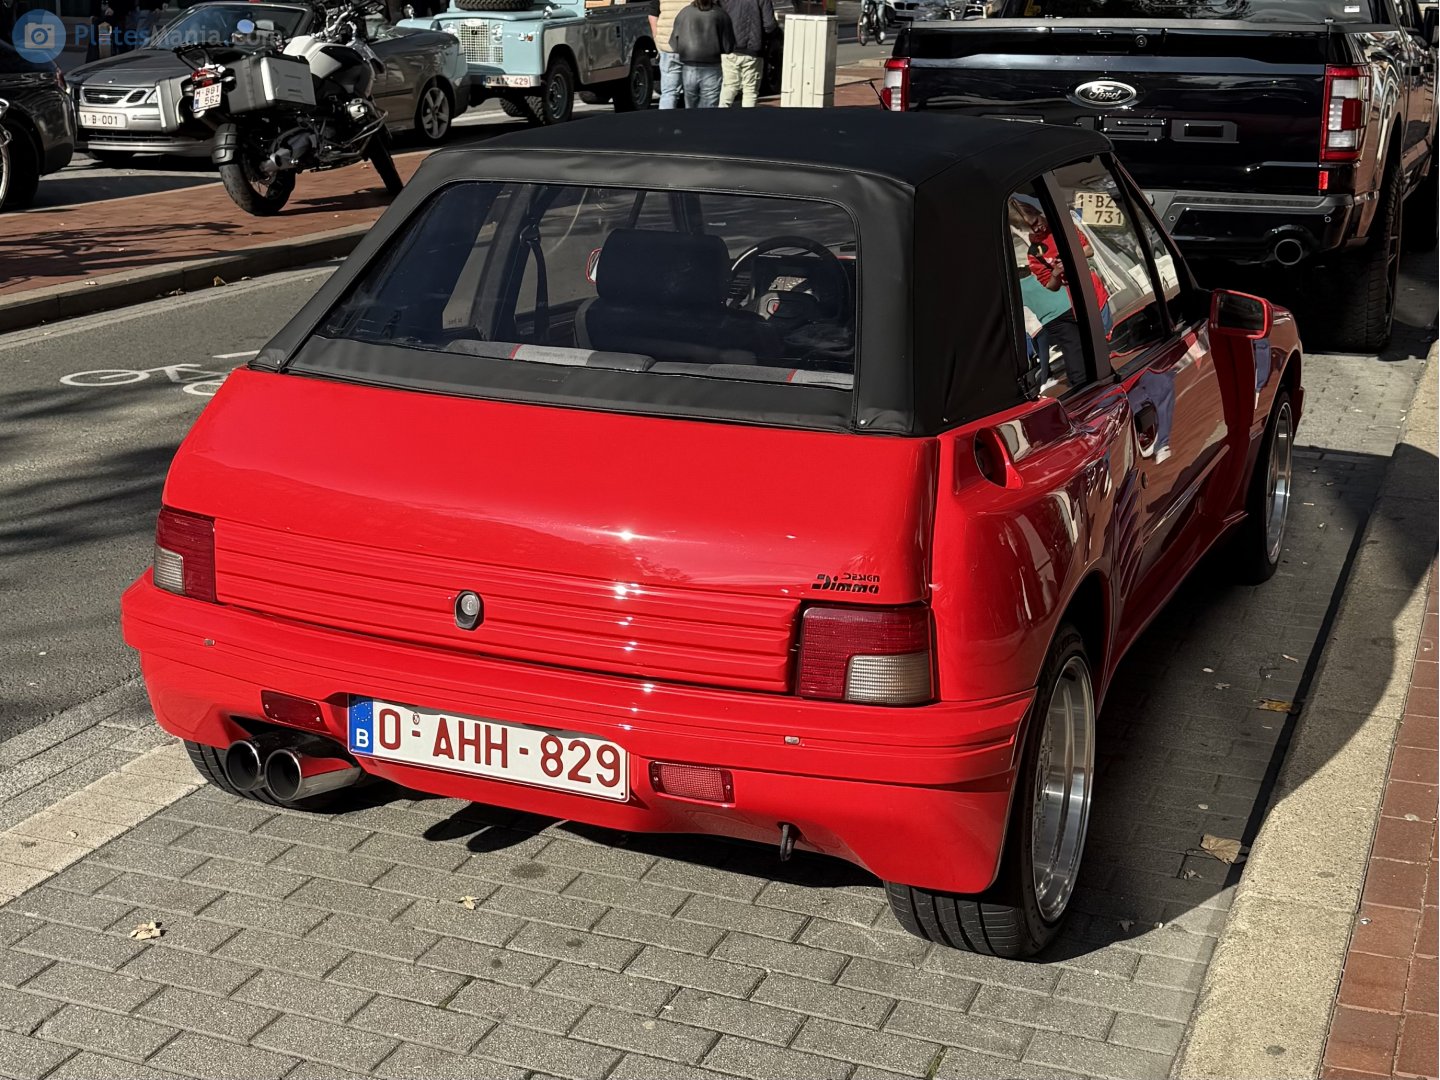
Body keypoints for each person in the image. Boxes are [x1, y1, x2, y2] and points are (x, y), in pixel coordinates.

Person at [670, 0, 734, 108]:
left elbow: (674, 44)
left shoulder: (684, 13)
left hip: (689, 66)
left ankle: (692, 124)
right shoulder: (720, 14)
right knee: (709, 107)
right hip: (712, 65)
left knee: (690, 106)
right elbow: (728, 46)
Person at [719, 0, 775, 107]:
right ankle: (748, 120)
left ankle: (721, 116)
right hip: (753, 50)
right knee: (750, 90)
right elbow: (770, 25)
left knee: (729, 86)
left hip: (730, 47)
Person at [652, 0, 688, 109]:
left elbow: (652, 16)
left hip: (668, 47)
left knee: (669, 92)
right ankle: (695, 123)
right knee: (695, 94)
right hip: (694, 47)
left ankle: (664, 123)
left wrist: (657, 41)